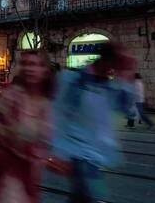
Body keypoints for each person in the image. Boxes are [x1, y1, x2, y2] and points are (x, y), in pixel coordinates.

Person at [50, 42, 137, 203]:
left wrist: (128, 74)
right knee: (95, 195)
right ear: (106, 61)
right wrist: (59, 152)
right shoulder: (73, 81)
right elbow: (59, 115)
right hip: (77, 153)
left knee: (82, 197)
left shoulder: (108, 86)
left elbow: (129, 109)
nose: (115, 70)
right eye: (117, 64)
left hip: (95, 156)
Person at [0, 51, 55, 203]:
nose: (29, 69)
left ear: (45, 70)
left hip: (30, 178)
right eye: (25, 64)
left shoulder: (48, 104)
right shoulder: (10, 97)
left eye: (34, 64)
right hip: (8, 178)